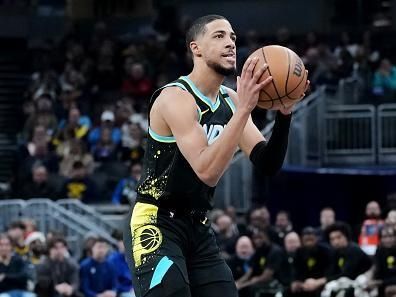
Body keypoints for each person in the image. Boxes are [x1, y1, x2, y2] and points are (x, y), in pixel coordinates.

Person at [124, 14, 308, 297]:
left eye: (233, 37)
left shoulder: (231, 100)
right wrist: (245, 109)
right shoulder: (176, 98)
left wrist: (284, 114)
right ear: (195, 47)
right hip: (156, 220)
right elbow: (207, 171)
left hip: (198, 225)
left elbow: (267, 163)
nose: (230, 43)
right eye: (219, 36)